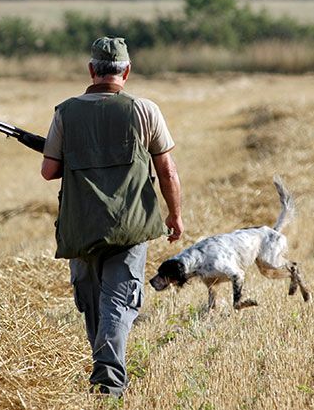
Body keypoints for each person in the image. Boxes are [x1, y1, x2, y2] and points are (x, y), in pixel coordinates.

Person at [41, 36, 183, 397]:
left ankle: (105, 375)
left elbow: (48, 170)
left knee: (92, 302)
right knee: (117, 301)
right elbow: (166, 170)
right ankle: (109, 380)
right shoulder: (144, 109)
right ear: (127, 71)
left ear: (91, 70)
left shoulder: (65, 112)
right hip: (131, 224)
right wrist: (174, 215)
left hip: (82, 225)